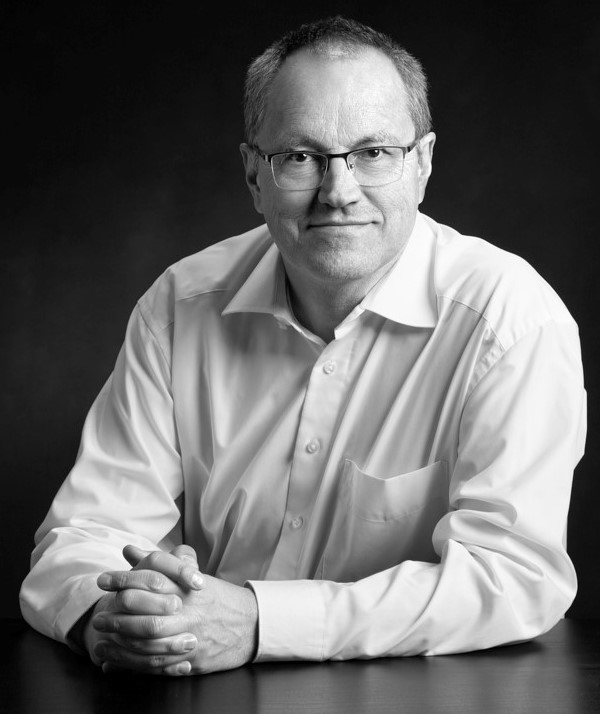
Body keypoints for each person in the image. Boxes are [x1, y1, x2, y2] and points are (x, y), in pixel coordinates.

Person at [20, 16, 586, 677]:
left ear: (423, 163)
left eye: (374, 153)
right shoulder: (180, 307)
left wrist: (259, 621)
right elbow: (83, 537)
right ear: (252, 175)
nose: (338, 193)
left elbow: (512, 577)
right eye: (300, 157)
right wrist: (115, 618)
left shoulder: (510, 321)